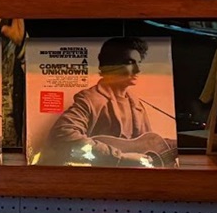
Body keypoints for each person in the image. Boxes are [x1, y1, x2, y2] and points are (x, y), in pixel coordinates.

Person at [48, 38, 170, 166]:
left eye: (139, 62)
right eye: (129, 62)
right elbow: (62, 134)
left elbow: (147, 144)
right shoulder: (90, 99)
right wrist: (119, 157)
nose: (138, 70)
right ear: (110, 65)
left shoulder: (137, 105)